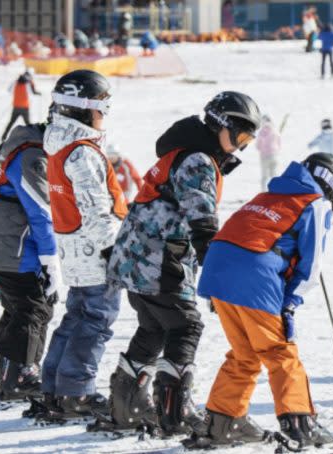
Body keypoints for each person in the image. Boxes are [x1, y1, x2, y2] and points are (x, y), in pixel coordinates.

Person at [98, 92, 261, 435]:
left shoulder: (185, 151)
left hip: (135, 257)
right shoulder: (198, 160)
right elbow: (202, 223)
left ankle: (126, 407)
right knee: (186, 326)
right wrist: (216, 277)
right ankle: (174, 412)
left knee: (155, 327)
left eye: (246, 141)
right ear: (220, 125)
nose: (239, 148)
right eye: (238, 136)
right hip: (158, 260)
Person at [183, 153, 333, 449]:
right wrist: (290, 302)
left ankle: (223, 422)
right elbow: (310, 266)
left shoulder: (269, 194)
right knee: (280, 352)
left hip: (218, 272)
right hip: (254, 277)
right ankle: (299, 426)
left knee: (244, 353)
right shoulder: (315, 202)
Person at [29, 70, 128, 420]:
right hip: (94, 250)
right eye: (103, 107)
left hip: (73, 246)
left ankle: (54, 387)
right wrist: (113, 250)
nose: (105, 116)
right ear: (85, 109)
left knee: (76, 318)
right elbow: (96, 209)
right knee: (96, 322)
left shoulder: (60, 144)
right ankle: (76, 393)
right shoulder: (82, 152)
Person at [0, 121, 57, 402]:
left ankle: (3, 368)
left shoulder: (25, 150)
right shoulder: (32, 156)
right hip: (14, 248)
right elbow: (42, 211)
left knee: (19, 308)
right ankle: (19, 376)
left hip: (6, 246)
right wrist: (51, 258)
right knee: (33, 309)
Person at [1, 70, 41, 142]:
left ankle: (3, 136)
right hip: (25, 107)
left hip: (16, 107)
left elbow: (9, 90)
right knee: (28, 124)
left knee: (11, 122)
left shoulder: (16, 82)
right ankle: (33, 137)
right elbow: (33, 92)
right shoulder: (28, 83)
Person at [256, 115, 282, 191]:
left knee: (264, 176)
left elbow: (258, 145)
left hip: (264, 156)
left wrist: (261, 149)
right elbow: (279, 143)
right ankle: (276, 190)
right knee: (274, 175)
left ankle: (263, 191)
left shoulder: (262, 131)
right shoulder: (275, 131)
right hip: (274, 155)